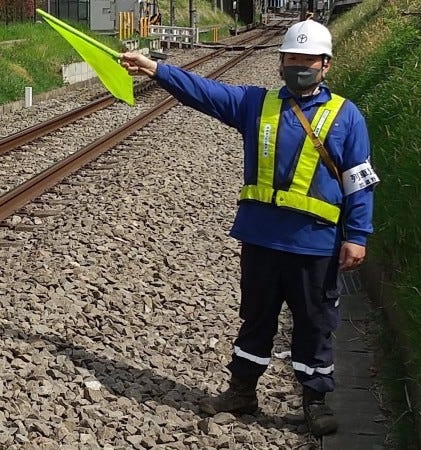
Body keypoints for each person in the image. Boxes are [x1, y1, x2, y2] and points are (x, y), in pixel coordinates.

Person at [120, 19, 379, 437]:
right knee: (255, 319)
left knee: (315, 323)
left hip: (315, 245)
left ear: (325, 65)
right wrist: (155, 69)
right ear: (281, 62)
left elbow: (358, 180)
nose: (299, 66)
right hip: (261, 239)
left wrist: (357, 236)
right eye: (292, 59)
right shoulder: (256, 105)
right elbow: (203, 92)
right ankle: (241, 392)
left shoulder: (346, 116)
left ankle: (314, 401)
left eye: (308, 60)